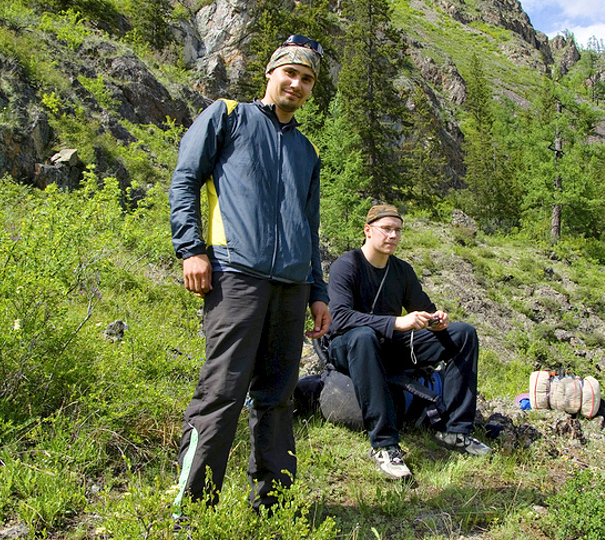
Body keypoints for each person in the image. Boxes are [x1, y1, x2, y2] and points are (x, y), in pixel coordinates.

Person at [168, 35, 331, 512]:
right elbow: (185, 179)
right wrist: (191, 249)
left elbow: (309, 225)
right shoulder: (228, 115)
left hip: (292, 285)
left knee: (278, 397)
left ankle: (274, 505)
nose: (297, 84)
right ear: (270, 72)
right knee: (222, 391)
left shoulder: (307, 149)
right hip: (235, 273)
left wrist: (318, 290)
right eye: (290, 73)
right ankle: (192, 507)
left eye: (307, 79)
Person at [326, 204, 490, 480]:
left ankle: (454, 430)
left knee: (463, 334)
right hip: (349, 346)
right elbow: (339, 318)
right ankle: (384, 444)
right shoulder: (346, 265)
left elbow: (423, 309)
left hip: (390, 345)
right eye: (386, 229)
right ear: (368, 231)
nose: (393, 236)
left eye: (398, 231)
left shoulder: (401, 271)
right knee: (364, 336)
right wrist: (395, 323)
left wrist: (438, 319)